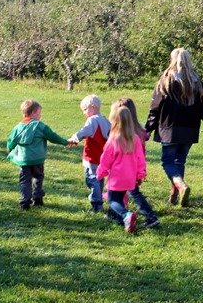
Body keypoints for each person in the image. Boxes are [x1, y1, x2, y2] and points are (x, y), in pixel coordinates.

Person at [145, 48, 203, 207]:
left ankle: (180, 185)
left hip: (169, 129)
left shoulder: (165, 80)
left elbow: (155, 108)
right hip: (189, 129)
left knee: (168, 161)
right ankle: (174, 195)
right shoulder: (196, 82)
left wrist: (148, 128)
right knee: (179, 162)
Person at [6, 99, 69, 210]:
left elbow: (11, 140)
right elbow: (53, 136)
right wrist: (65, 142)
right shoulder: (40, 126)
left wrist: (9, 149)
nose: (40, 115)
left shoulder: (18, 127)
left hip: (24, 159)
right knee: (38, 177)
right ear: (33, 112)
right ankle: (38, 198)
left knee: (25, 180)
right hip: (37, 159)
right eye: (39, 112)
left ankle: (25, 202)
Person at [97, 104, 146, 233]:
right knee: (119, 198)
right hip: (130, 177)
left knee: (112, 200)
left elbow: (105, 159)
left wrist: (101, 172)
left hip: (117, 177)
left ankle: (126, 215)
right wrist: (140, 174)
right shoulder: (135, 139)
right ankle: (120, 220)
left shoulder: (113, 140)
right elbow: (140, 158)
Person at [115, 97, 160, 228]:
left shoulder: (123, 132)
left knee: (128, 191)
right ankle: (115, 213)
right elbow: (145, 139)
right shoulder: (140, 130)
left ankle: (149, 216)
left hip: (124, 167)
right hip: (137, 165)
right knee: (125, 191)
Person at [68, 95, 111, 213]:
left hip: (91, 157)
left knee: (91, 179)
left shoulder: (92, 120)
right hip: (102, 157)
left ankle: (96, 204)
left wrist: (74, 138)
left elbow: (84, 131)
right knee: (99, 179)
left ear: (93, 107)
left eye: (85, 109)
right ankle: (99, 200)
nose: (84, 113)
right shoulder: (106, 121)